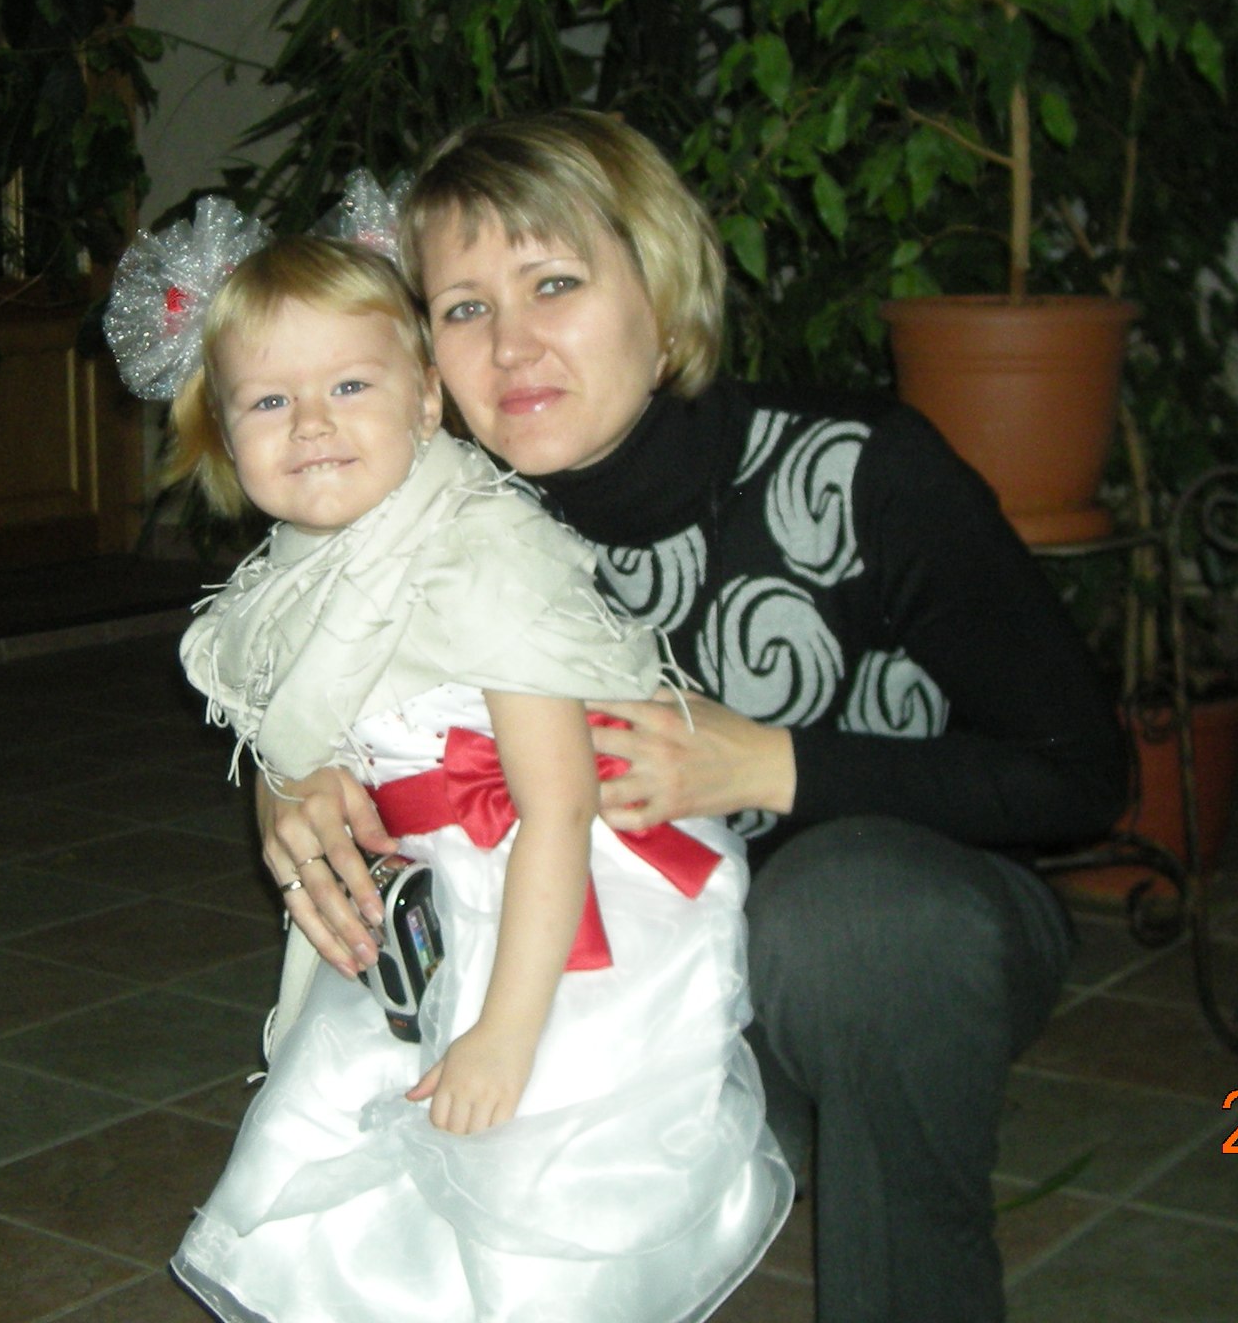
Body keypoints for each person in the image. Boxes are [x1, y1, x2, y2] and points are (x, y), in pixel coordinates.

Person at [257, 114, 1130, 1323]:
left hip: (903, 937)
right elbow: (288, 662)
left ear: (662, 300)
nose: (511, 344)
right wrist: (289, 781)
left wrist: (770, 765)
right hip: (618, 988)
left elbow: (1082, 774)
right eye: (463, 308)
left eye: (554, 283)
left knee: (853, 921)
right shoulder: (433, 519)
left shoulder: (857, 472)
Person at [101, 200, 792, 1323]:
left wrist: (506, 1036)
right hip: (425, 907)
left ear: (427, 399)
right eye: (269, 401)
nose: (311, 424)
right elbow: (297, 737)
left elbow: (559, 806)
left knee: (521, 1192)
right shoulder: (296, 574)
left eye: (350, 385)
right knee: (373, 1185)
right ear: (223, 435)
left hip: (553, 918)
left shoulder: (479, 550)